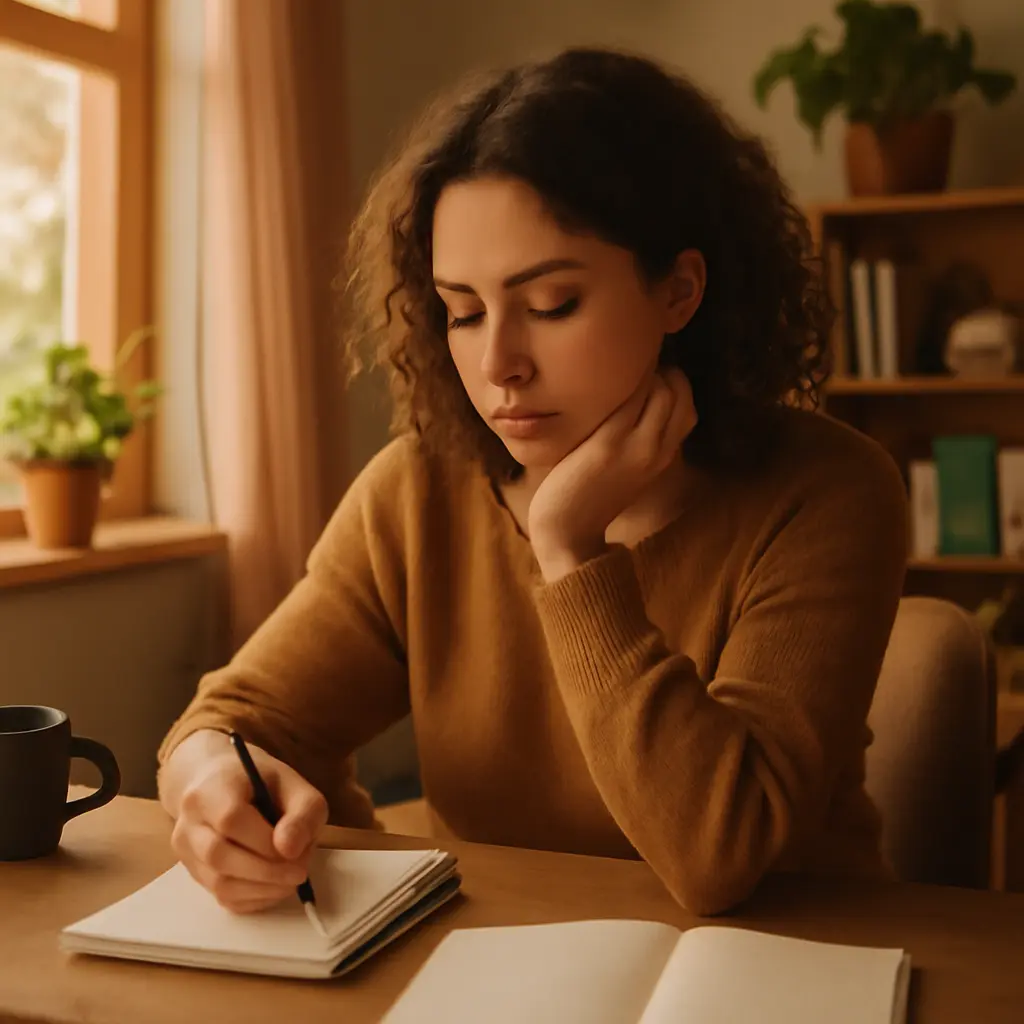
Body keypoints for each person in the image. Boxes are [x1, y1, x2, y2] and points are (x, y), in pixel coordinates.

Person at [156, 47, 907, 918]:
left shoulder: (828, 492)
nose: (498, 364)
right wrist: (211, 778)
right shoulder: (416, 492)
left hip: (790, 967)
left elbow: (718, 856)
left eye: (550, 304)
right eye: (463, 312)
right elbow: (233, 719)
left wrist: (570, 549)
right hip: (504, 974)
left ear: (679, 290)